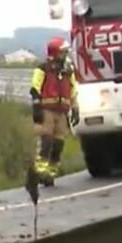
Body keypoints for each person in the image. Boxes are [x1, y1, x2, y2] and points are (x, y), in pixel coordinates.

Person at [27, 37, 79, 198]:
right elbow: (35, 88)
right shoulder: (42, 68)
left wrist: (75, 108)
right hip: (46, 110)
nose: (65, 54)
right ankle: (40, 173)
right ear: (55, 53)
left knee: (58, 144)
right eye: (62, 51)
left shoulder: (67, 71)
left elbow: (73, 90)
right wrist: (36, 108)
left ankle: (51, 174)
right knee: (46, 142)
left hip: (62, 111)